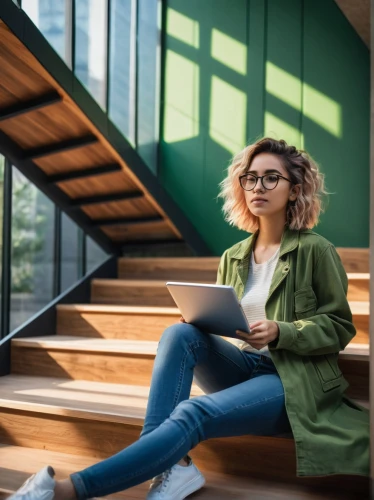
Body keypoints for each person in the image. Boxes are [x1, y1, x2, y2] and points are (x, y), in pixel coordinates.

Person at [9, 138, 369, 500]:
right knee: (178, 334)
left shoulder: (315, 250)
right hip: (247, 365)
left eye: (271, 178)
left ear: (294, 191)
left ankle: (67, 490)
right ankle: (173, 465)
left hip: (292, 381)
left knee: (192, 411)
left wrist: (281, 331)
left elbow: (339, 327)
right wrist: (201, 319)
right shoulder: (233, 256)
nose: (258, 186)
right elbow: (228, 318)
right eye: (250, 178)